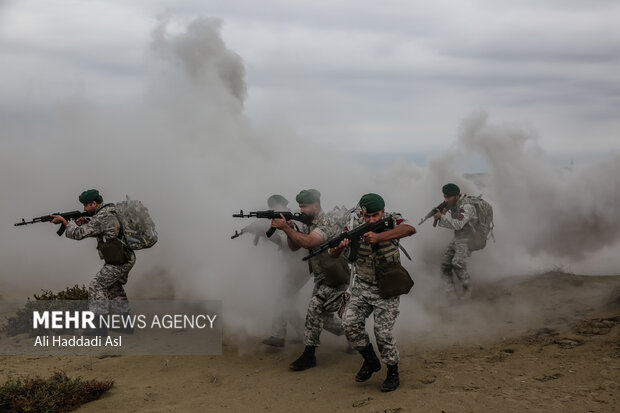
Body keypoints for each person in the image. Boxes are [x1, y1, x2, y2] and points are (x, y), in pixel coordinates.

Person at [330, 193, 415, 392]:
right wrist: (337, 248)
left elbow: (410, 229)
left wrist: (378, 236)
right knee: (349, 324)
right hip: (362, 286)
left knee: (383, 333)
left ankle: (392, 370)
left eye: (375, 216)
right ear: (361, 213)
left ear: (383, 211)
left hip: (387, 287)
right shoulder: (352, 225)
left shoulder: (393, 219)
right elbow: (333, 254)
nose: (371, 220)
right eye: (367, 216)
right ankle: (370, 360)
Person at [271, 189, 349, 371]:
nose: (301, 210)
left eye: (304, 206)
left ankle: (309, 355)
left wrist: (287, 228)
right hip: (321, 275)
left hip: (336, 275)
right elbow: (294, 247)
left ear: (316, 204)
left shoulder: (326, 221)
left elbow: (309, 242)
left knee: (314, 311)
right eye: (299, 206)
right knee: (325, 319)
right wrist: (290, 228)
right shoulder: (308, 223)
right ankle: (352, 332)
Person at [50, 189, 135, 335]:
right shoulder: (111, 210)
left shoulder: (102, 217)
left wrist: (65, 222)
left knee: (96, 286)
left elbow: (78, 234)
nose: (84, 209)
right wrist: (86, 221)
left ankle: (98, 328)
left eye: (86, 205)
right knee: (114, 287)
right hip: (124, 256)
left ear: (94, 203)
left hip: (119, 260)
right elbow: (106, 229)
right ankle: (124, 324)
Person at [243, 194, 310, 348]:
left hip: (300, 267)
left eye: (272, 206)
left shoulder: (292, 218)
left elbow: (287, 241)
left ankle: (279, 335)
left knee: (282, 298)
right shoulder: (288, 217)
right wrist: (256, 231)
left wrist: (259, 230)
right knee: (286, 300)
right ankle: (302, 333)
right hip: (298, 266)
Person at [433, 183, 478, 299]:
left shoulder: (467, 206)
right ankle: (450, 292)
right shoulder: (454, 203)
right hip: (458, 238)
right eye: (444, 197)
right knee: (445, 264)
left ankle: (468, 287)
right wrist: (443, 212)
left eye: (448, 197)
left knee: (457, 263)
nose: (446, 200)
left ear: (457, 196)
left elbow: (458, 224)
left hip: (469, 238)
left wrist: (441, 218)